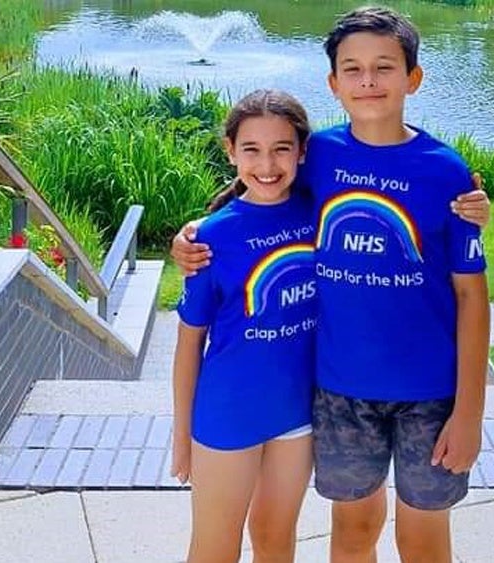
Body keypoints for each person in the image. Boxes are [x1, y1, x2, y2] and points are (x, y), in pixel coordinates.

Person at [173, 7, 491, 562]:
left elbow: (472, 294)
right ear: (333, 82)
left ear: (413, 79)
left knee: (422, 538)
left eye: (384, 67)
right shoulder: (320, 154)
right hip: (342, 391)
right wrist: (196, 232)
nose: (368, 81)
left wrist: (470, 414)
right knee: (354, 528)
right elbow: (264, 185)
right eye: (353, 68)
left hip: (429, 394)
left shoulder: (446, 172)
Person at [171, 89, 317, 563]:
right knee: (215, 549)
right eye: (251, 149)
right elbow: (190, 342)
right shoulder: (210, 237)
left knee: (277, 543)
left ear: (301, 151)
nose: (267, 164)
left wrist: (469, 204)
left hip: (297, 415)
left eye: (281, 148)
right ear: (230, 151)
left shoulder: (321, 213)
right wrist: (182, 432)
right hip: (227, 414)